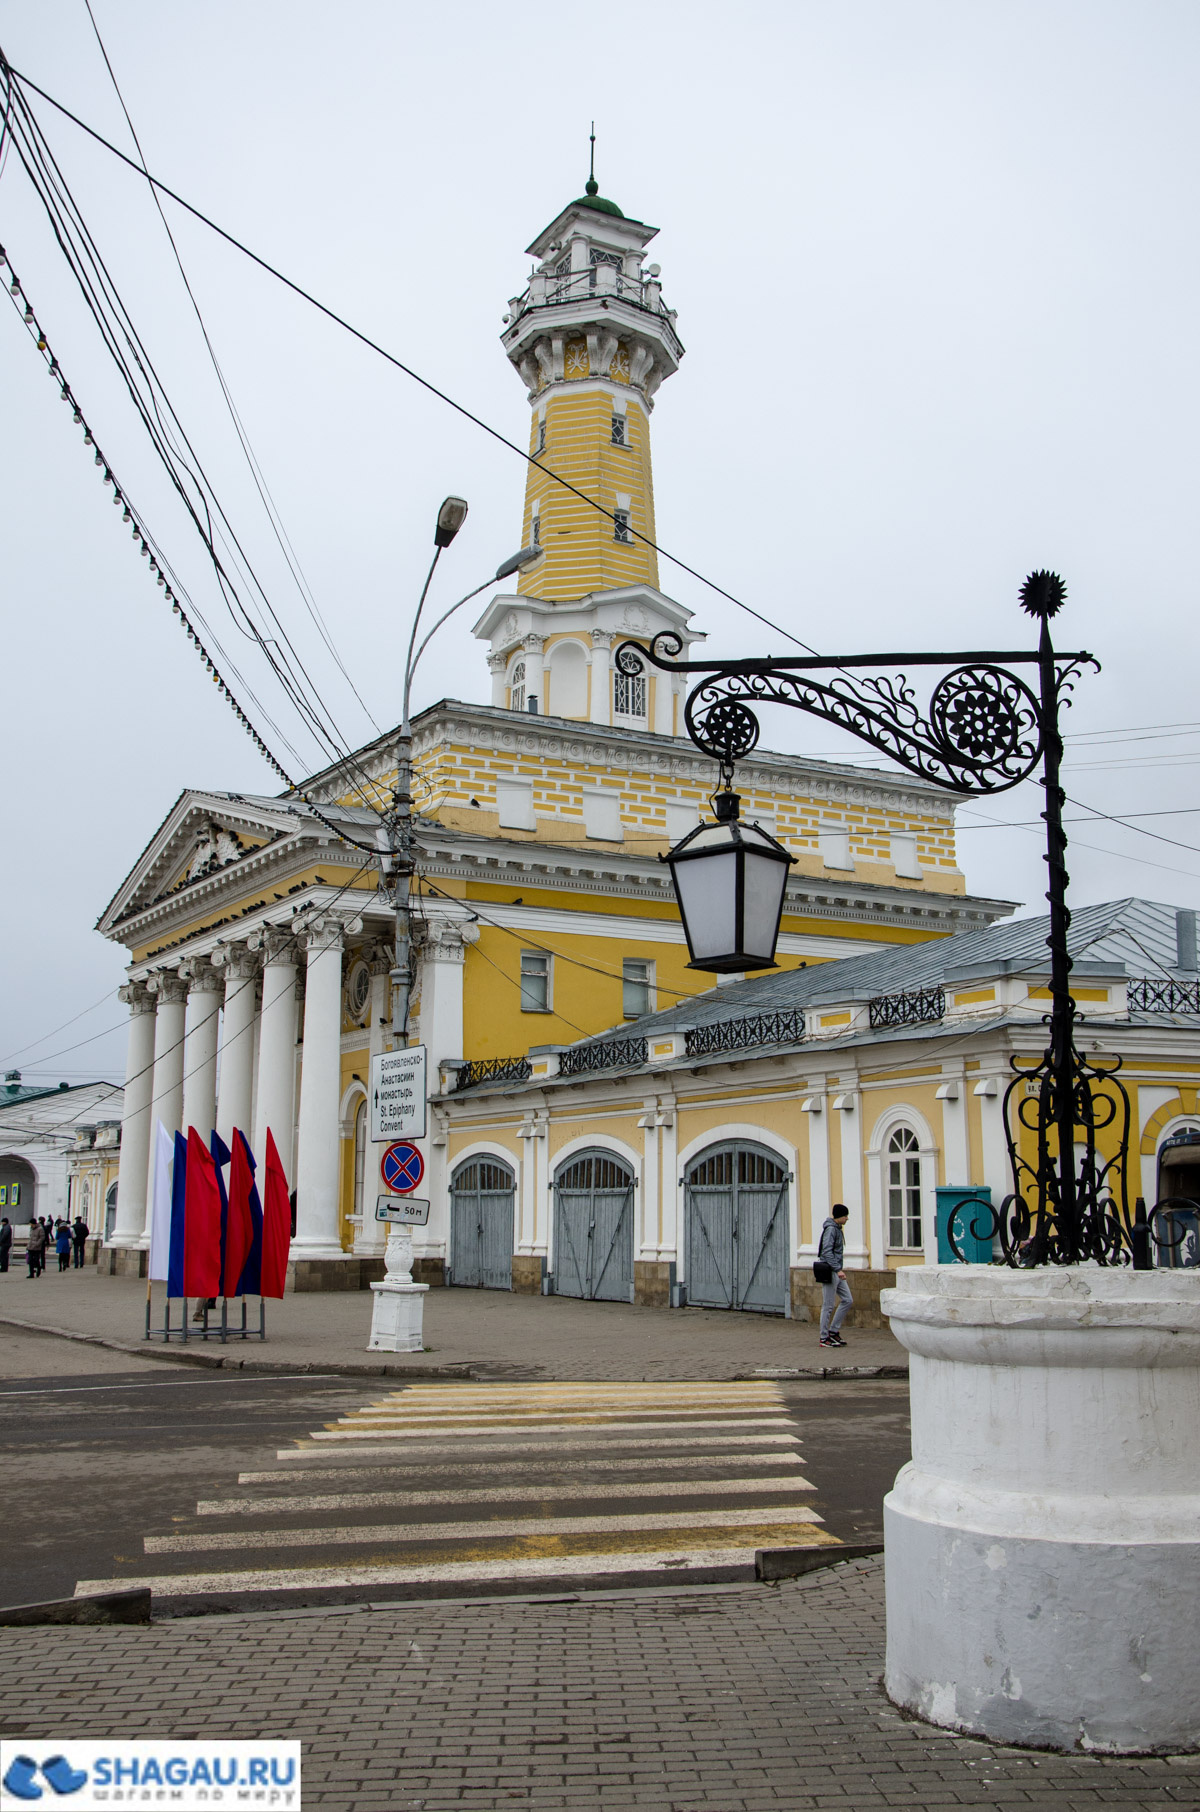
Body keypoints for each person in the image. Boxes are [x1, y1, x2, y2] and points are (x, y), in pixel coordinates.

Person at [817, 1203, 853, 1348]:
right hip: (831, 1271)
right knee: (828, 1305)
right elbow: (826, 1251)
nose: (847, 1219)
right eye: (845, 1216)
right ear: (839, 1216)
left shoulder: (837, 1229)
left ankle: (833, 1331)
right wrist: (838, 1269)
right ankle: (824, 1337)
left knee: (848, 1300)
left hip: (836, 1271)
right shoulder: (831, 1229)